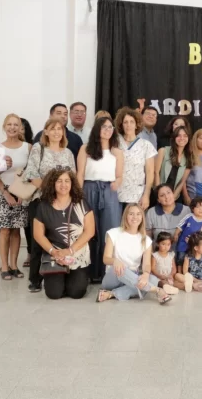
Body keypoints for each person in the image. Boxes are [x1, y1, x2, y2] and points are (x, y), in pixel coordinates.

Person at [22, 118, 76, 292]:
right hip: (41, 201)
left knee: (59, 238)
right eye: (52, 128)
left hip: (63, 203)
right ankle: (35, 279)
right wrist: (51, 193)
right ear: (45, 131)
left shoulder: (68, 153)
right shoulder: (39, 149)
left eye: (59, 129)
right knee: (38, 240)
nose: (56, 132)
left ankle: (58, 272)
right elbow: (32, 174)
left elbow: (72, 178)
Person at [32, 169, 93, 300]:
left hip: (77, 254)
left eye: (67, 181)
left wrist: (70, 251)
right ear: (52, 184)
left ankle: (74, 279)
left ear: (72, 184)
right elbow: (38, 235)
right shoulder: (43, 206)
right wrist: (54, 252)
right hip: (55, 255)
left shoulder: (82, 203)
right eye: (59, 181)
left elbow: (89, 231)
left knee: (76, 293)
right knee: (54, 294)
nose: (63, 184)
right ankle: (59, 279)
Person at [77, 117, 124, 283]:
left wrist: (116, 183)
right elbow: (80, 174)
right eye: (104, 127)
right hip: (89, 189)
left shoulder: (117, 151)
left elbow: (119, 176)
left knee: (110, 230)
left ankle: (107, 272)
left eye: (110, 127)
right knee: (90, 231)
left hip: (109, 191)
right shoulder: (86, 149)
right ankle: (90, 272)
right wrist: (78, 196)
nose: (107, 130)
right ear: (97, 129)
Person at [0, 117, 35, 269]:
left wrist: (20, 192)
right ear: (4, 126)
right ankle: (4, 266)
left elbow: (30, 172)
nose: (12, 127)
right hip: (2, 192)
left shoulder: (28, 147)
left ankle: (14, 266)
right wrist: (5, 192)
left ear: (20, 128)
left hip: (21, 192)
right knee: (4, 230)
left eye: (16, 125)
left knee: (16, 230)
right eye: (9, 124)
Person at [96, 204, 173, 304]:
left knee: (152, 279)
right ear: (125, 216)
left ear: (142, 217)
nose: (135, 217)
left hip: (132, 279)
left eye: (138, 214)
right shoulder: (113, 233)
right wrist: (115, 261)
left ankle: (110, 294)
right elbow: (106, 259)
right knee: (123, 268)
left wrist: (146, 274)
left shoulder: (146, 240)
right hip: (114, 277)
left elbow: (146, 264)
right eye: (131, 214)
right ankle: (157, 290)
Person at [115, 107, 157, 211]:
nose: (128, 125)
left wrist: (146, 195)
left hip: (137, 195)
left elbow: (150, 173)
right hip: (115, 194)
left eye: (131, 122)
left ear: (137, 124)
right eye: (125, 122)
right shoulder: (115, 143)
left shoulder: (146, 145)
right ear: (121, 125)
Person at [153, 125, 192, 201]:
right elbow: (156, 172)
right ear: (174, 138)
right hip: (158, 195)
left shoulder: (188, 157)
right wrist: (159, 193)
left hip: (174, 196)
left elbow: (182, 181)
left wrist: (173, 197)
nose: (182, 138)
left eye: (185, 136)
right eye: (179, 135)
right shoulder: (163, 151)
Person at [174, 197, 202, 264]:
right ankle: (179, 269)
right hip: (183, 243)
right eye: (197, 207)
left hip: (196, 246)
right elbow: (180, 225)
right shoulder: (189, 217)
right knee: (180, 258)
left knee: (192, 260)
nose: (200, 209)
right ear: (193, 208)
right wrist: (176, 234)